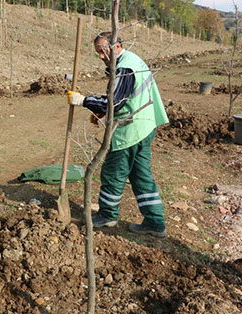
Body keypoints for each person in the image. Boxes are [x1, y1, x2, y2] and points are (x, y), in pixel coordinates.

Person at [67, 32, 170, 237]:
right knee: (141, 174)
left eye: (102, 51)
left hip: (130, 129)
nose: (101, 56)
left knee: (113, 172)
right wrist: (101, 111)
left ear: (116, 46)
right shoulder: (132, 59)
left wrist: (83, 101)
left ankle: (107, 215)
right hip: (145, 125)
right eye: (98, 52)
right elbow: (124, 97)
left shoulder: (125, 67)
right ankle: (155, 222)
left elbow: (115, 103)